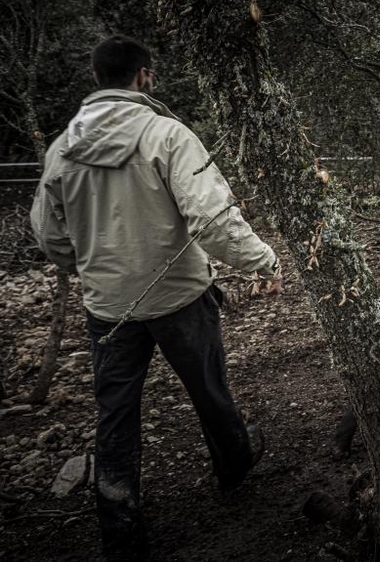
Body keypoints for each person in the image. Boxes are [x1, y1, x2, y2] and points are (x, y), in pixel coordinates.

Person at [30, 35, 280, 559]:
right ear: (144, 76)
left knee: (115, 412)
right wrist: (262, 259)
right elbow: (211, 217)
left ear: (97, 78)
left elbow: (49, 233)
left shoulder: (60, 148)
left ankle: (120, 520)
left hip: (107, 307)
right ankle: (234, 466)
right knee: (208, 388)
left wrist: (90, 268)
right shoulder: (167, 135)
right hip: (180, 297)